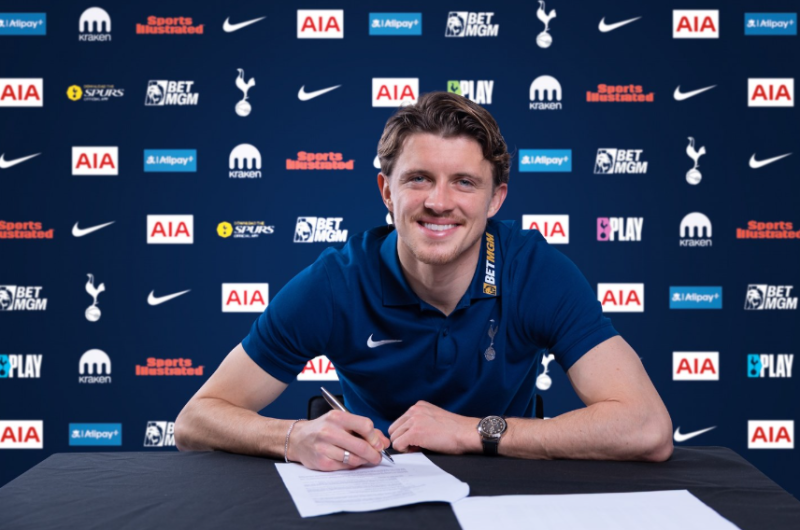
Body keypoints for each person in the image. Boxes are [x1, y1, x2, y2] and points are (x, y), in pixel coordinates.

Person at [175, 92, 673, 470]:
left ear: (496, 199)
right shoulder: (335, 283)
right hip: (373, 489)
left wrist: (473, 432)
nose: (439, 202)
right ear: (385, 191)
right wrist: (291, 438)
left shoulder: (534, 271)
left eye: (464, 182)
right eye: (418, 179)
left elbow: (647, 427)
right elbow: (195, 420)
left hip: (506, 490)